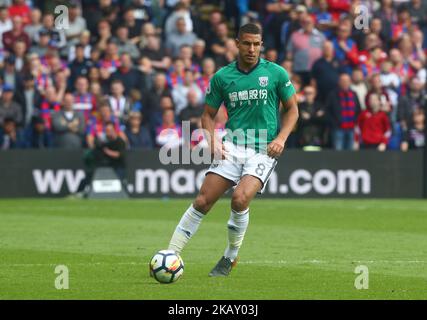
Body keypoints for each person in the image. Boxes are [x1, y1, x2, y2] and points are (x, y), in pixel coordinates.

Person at [165, 23, 298, 277]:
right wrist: (212, 140)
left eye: (256, 44)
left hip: (263, 149)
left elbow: (293, 110)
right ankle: (171, 253)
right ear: (236, 43)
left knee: (239, 199)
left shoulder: (276, 73)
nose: (251, 49)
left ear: (261, 45)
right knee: (202, 201)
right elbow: (207, 115)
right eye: (246, 43)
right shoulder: (222, 77)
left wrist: (281, 138)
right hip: (233, 145)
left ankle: (230, 256)